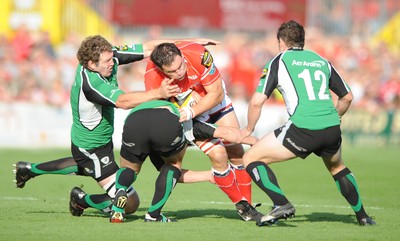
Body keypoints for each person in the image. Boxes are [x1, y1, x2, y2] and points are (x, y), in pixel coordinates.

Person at [13, 35, 219, 216]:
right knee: (130, 203)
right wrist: (159, 93)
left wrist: (185, 42)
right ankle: (81, 199)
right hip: (91, 147)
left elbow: (149, 48)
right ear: (92, 65)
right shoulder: (92, 83)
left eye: (112, 57)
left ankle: (29, 169)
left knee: (89, 168)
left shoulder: (105, 58)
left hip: (99, 142)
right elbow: (123, 102)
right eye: (107, 61)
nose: (113, 62)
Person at [240, 20, 376, 227]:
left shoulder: (280, 60)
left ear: (281, 42)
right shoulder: (321, 60)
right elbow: (347, 97)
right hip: (331, 128)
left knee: (251, 158)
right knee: (338, 168)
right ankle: (363, 217)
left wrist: (248, 129)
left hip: (303, 128)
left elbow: (257, 101)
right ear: (302, 41)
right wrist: (336, 117)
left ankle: (281, 203)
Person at [144, 41, 264, 222]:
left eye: (180, 66)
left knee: (236, 151)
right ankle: (242, 207)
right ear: (161, 70)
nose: (179, 73)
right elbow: (163, 113)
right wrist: (182, 108)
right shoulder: (152, 77)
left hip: (211, 100)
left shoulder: (199, 55)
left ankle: (248, 204)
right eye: (172, 72)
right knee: (218, 154)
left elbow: (216, 94)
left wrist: (193, 108)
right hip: (186, 116)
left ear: (182, 56)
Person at [104, 99, 257, 222]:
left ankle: (119, 198)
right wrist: (253, 140)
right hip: (168, 121)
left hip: (135, 119)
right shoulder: (188, 120)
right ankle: (153, 215)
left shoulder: (161, 104)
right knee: (173, 166)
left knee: (129, 169)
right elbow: (226, 132)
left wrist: (208, 176)